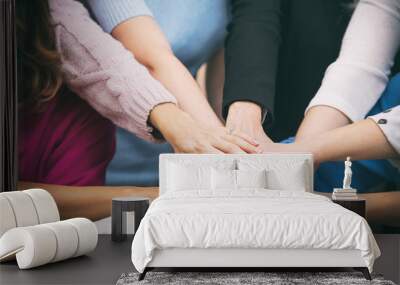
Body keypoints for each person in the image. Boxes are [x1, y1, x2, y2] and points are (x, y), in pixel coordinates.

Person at [17, 0, 257, 219]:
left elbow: (81, 41)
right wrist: (182, 129)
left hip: (161, 171)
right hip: (101, 168)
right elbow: (141, 58)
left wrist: (224, 151)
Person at [84, 0, 256, 186]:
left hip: (177, 166)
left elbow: (222, 83)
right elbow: (153, 60)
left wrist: (233, 138)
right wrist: (226, 158)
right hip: (101, 168)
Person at [264, 0, 400, 227]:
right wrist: (300, 158)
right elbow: (359, 66)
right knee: (261, 189)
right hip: (382, 122)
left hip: (384, 131)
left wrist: (326, 207)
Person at [222, 0, 354, 148]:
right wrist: (246, 107)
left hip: (359, 117)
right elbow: (257, 13)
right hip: (283, 102)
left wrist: (305, 149)